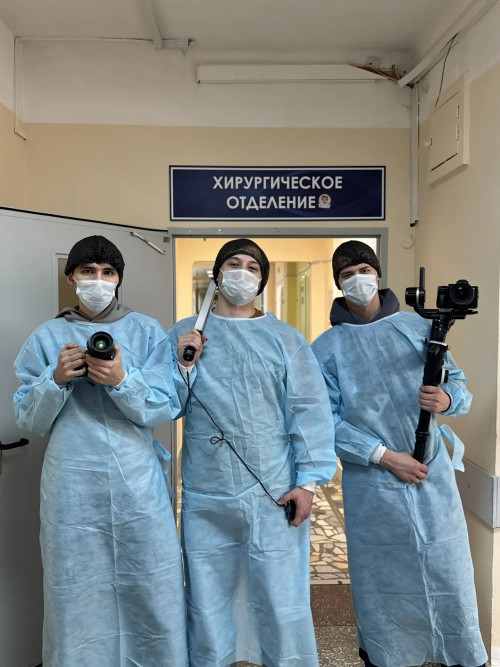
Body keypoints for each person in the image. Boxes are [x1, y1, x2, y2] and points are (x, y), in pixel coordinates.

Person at [14, 235, 189, 667]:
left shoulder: (146, 330)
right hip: (72, 487)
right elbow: (29, 420)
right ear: (71, 278)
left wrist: (121, 380)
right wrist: (56, 379)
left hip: (137, 482)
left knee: (150, 581)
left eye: (108, 272)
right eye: (88, 271)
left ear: (118, 279)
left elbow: (166, 407)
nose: (98, 280)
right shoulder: (48, 336)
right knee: (75, 588)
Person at [311, 240, 487, 667]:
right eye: (347, 273)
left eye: (364, 269)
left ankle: (458, 652)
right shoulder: (326, 347)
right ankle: (386, 655)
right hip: (373, 482)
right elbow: (324, 420)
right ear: (338, 282)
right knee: (382, 580)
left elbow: (458, 384)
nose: (358, 279)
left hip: (431, 474)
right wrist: (384, 456)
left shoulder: (419, 327)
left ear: (378, 273)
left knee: (447, 571)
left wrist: (446, 399)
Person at [168, 238, 337, 667]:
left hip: (273, 491)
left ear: (262, 280)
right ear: (217, 275)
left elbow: (309, 410)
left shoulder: (284, 338)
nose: (241, 273)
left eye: (252, 267)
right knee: (208, 598)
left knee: (280, 598)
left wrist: (308, 483)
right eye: (233, 263)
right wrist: (184, 364)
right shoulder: (187, 334)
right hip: (207, 493)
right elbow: (166, 404)